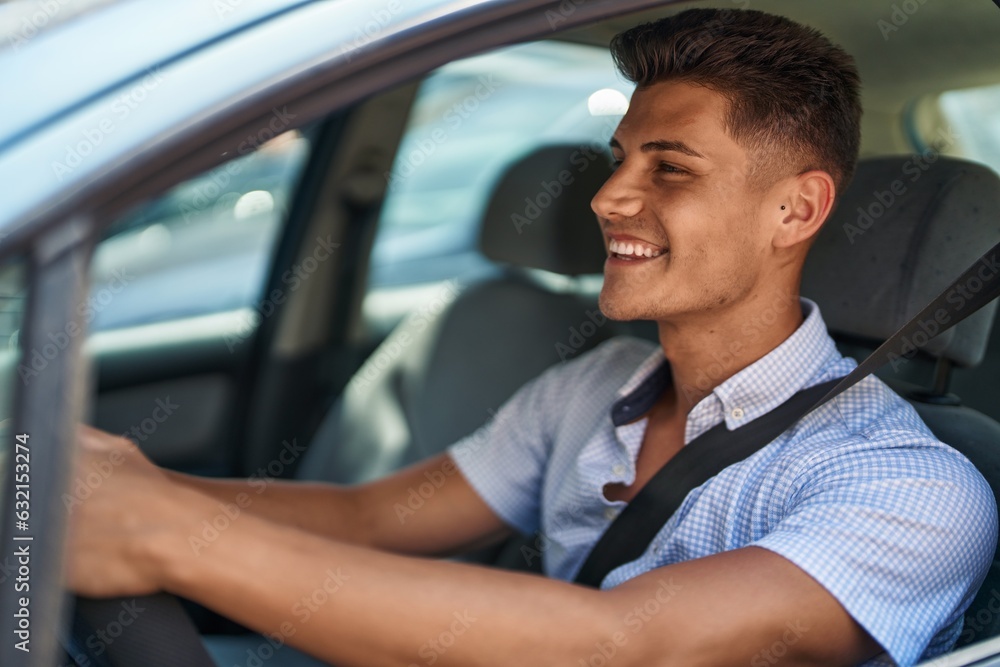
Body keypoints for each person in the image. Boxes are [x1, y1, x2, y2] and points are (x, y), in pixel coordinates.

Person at [68, 8, 997, 666]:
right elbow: (372, 519)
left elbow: (622, 645)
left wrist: (171, 537)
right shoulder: (590, 384)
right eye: (619, 158)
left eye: (668, 167)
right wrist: (122, 483)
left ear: (796, 208)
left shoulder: (911, 488)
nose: (605, 197)